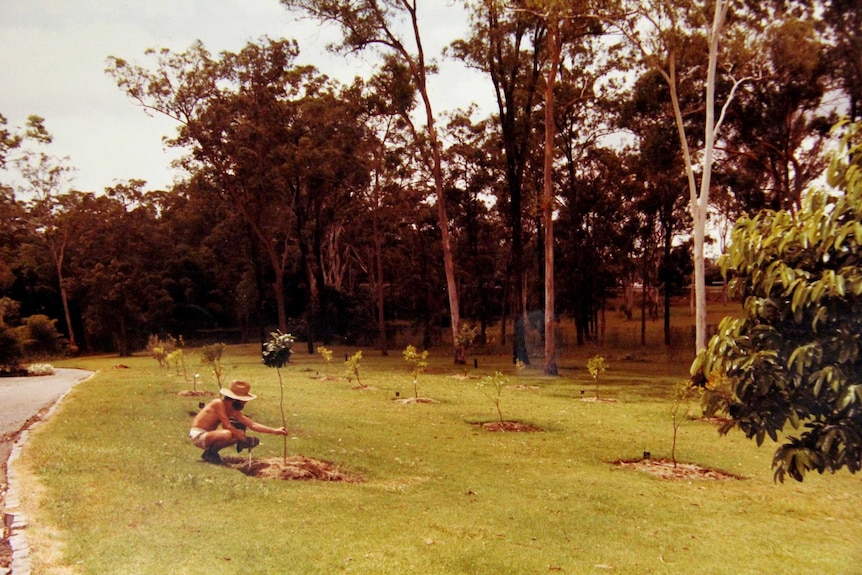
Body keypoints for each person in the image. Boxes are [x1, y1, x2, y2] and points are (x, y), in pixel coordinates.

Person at [189, 379, 287, 464]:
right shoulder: (218, 403)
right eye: (243, 400)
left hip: (208, 436)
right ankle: (211, 453)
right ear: (235, 400)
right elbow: (227, 425)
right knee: (228, 434)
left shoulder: (233, 410)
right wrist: (243, 439)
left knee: (239, 433)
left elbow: (252, 424)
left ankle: (211, 453)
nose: (245, 403)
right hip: (199, 435)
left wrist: (275, 431)